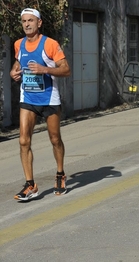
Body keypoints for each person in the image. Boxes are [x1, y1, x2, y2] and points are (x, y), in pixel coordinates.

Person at [9, 8, 71, 201]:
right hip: (27, 98)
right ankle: (30, 185)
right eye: (24, 21)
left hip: (49, 98)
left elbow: (66, 70)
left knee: (55, 139)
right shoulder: (18, 44)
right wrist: (14, 71)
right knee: (23, 141)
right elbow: (18, 63)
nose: (27, 24)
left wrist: (44, 69)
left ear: (39, 23)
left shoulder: (50, 44)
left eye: (30, 20)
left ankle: (60, 174)